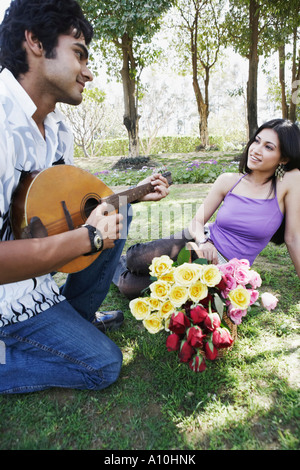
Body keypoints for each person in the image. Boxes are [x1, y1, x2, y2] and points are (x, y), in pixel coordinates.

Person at [0, 0, 169, 394]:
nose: (89, 72)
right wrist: (86, 238)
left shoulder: (57, 129)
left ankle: (77, 316)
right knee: (104, 365)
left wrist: (136, 193)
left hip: (36, 284)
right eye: (79, 54)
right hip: (7, 302)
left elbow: (68, 208)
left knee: (116, 215)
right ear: (35, 42)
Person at [115, 118, 300, 299]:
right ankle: (122, 261)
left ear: (283, 158)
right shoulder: (228, 180)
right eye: (257, 141)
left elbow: (292, 238)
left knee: (128, 286)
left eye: (268, 147)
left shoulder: (288, 183)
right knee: (134, 257)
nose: (257, 150)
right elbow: (197, 221)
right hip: (199, 241)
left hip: (224, 270)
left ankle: (116, 265)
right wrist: (204, 242)